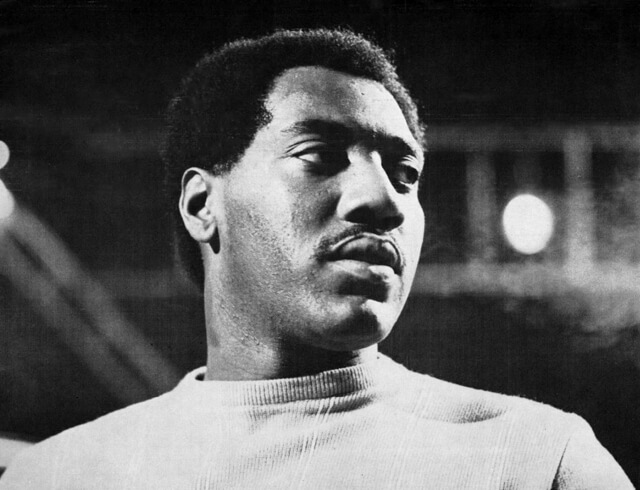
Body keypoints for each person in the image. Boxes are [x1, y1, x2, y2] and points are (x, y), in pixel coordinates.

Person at [0, 28, 633, 489]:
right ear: (201, 205)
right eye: (320, 156)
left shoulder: (535, 460)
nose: (382, 199)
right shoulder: (57, 477)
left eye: (405, 174)